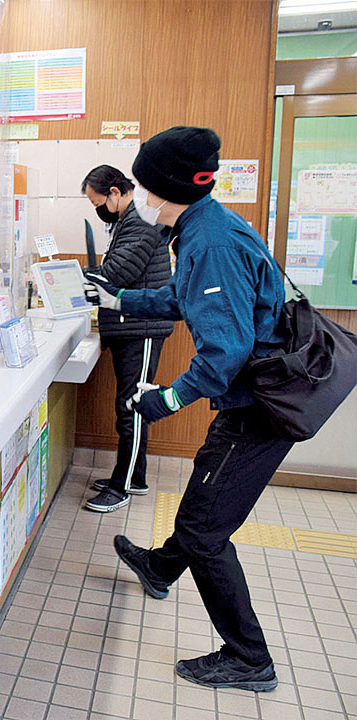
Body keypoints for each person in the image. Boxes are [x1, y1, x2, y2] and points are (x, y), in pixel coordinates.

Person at [85, 126, 292, 692]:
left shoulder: (210, 241)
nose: (144, 197)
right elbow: (180, 296)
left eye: (149, 187)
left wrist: (163, 400)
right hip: (249, 402)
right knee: (205, 503)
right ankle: (158, 567)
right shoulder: (205, 225)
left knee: (204, 528)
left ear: (168, 186)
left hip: (259, 411)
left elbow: (225, 353)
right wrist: (120, 297)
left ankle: (251, 659)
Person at [80, 165, 173, 513]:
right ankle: (135, 476)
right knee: (131, 405)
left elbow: (118, 273)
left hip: (142, 327)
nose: (97, 209)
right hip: (132, 325)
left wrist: (80, 278)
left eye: (97, 201)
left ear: (115, 193)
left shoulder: (140, 223)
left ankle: (122, 487)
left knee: (132, 407)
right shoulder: (127, 221)